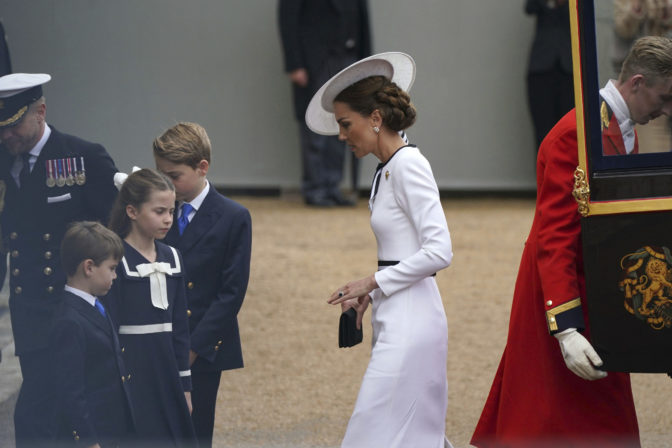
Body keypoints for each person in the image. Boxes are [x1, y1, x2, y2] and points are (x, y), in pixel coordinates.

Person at [470, 36, 672, 447]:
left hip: (597, 285)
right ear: (636, 83)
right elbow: (555, 235)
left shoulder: (617, 125)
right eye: (664, 97)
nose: (667, 110)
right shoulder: (576, 134)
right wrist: (565, 327)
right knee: (550, 414)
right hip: (566, 290)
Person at [306, 52, 454, 448]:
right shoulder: (386, 168)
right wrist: (370, 293)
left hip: (413, 322)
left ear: (375, 118)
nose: (341, 136)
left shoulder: (408, 165)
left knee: (372, 436)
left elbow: (440, 250)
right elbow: (402, 252)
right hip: (398, 315)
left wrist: (371, 281)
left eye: (344, 124)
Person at [0, 73, 118, 446]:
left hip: (72, 310)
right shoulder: (4, 160)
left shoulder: (83, 157)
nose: (6, 137)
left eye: (13, 126)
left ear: (41, 111)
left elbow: (114, 236)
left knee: (64, 406)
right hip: (29, 309)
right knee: (42, 403)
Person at [153, 122, 252, 448]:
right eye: (161, 174)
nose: (167, 183)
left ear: (202, 167)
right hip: (155, 339)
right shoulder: (154, 213)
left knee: (193, 433)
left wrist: (193, 349)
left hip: (202, 346)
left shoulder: (232, 216)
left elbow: (231, 292)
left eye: (175, 175)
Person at [105, 169, 197, 447]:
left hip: (166, 373)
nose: (168, 218)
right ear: (132, 211)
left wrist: (185, 386)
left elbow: (180, 329)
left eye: (171, 210)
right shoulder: (115, 261)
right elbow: (109, 328)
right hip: (132, 374)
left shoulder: (173, 258)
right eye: (159, 211)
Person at [278, 0, 371, 207]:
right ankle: (315, 188)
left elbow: (362, 17)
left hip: (349, 58)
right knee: (314, 124)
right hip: (314, 61)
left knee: (343, 124)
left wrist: (366, 64)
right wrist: (295, 64)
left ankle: (331, 186)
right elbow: (288, 17)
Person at [50, 221, 135, 447]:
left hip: (112, 430)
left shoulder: (96, 305)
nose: (115, 276)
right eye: (112, 268)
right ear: (89, 267)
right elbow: (71, 391)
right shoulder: (70, 321)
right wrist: (88, 440)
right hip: (94, 435)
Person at [524, 0, 574, 151]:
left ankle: (569, 174)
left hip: (569, 70)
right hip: (541, 69)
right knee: (543, 133)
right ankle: (543, 174)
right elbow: (529, 8)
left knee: (569, 132)